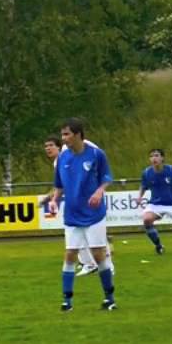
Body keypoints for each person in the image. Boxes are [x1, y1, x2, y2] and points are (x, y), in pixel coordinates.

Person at [47, 118, 116, 312]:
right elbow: (59, 186)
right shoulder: (62, 158)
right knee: (70, 254)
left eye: (67, 134)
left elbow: (107, 177)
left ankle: (109, 298)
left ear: (78, 134)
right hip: (72, 213)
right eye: (62, 134)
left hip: (94, 213)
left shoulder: (96, 154)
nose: (64, 138)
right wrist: (54, 200)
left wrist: (99, 191)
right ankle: (67, 301)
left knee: (98, 253)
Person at [42, 134, 108, 277]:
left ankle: (106, 266)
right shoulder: (60, 161)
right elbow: (61, 186)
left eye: (51, 146)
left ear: (59, 146)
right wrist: (51, 198)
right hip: (75, 203)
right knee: (78, 236)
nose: (48, 149)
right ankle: (89, 264)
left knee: (97, 238)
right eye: (46, 146)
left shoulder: (81, 151)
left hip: (90, 200)